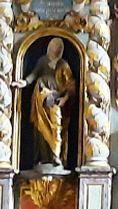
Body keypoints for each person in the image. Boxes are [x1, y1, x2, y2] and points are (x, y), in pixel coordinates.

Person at [13, 37, 75, 170]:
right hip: (40, 99)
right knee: (40, 129)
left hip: (56, 99)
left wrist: (64, 98)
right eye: (54, 45)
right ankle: (43, 158)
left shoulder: (63, 64)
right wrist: (24, 82)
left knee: (56, 127)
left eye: (58, 46)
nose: (56, 48)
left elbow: (70, 85)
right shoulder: (42, 61)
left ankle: (56, 156)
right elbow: (33, 75)